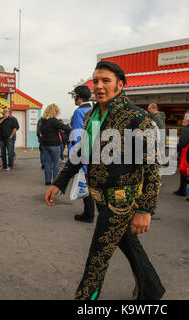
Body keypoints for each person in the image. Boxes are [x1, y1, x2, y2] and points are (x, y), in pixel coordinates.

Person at [44, 61, 164, 300]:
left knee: (97, 256)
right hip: (100, 198)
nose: (99, 86)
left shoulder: (137, 118)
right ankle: (151, 290)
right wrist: (59, 182)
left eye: (105, 81)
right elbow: (81, 153)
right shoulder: (91, 115)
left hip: (121, 202)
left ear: (120, 84)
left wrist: (145, 209)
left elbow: (152, 167)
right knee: (128, 243)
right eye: (96, 81)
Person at [70, 85, 95, 223]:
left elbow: (78, 135)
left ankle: (89, 214)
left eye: (74, 95)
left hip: (84, 153)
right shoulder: (93, 109)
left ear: (78, 96)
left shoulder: (80, 112)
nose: (74, 98)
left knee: (84, 183)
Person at [39, 104, 69, 185]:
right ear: (53, 111)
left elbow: (39, 131)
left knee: (47, 163)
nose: (57, 113)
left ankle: (47, 181)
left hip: (44, 144)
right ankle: (55, 181)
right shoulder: (54, 120)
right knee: (56, 163)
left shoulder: (42, 120)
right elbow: (64, 127)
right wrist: (72, 129)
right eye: (56, 111)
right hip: (54, 145)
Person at [174, 113, 189, 196]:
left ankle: (185, 191)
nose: (183, 120)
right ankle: (182, 189)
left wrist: (176, 149)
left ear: (188, 121)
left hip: (185, 154)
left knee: (184, 172)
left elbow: (182, 143)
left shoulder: (186, 130)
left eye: (184, 119)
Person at [0, 107, 19, 172]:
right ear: (2, 112)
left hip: (9, 138)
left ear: (9, 112)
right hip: (1, 138)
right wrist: (3, 118)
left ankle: (10, 166)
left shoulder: (13, 119)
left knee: (10, 152)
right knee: (2, 152)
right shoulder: (0, 119)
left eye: (6, 111)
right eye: (4, 111)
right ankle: (4, 165)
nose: (5, 112)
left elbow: (15, 128)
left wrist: (11, 136)